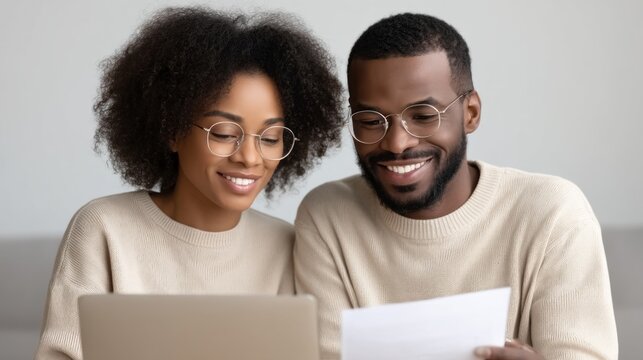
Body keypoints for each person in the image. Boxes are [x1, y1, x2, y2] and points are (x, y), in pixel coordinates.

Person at [294, 12, 618, 360]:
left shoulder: (552, 213)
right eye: (371, 121)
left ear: (471, 113)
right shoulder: (328, 216)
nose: (397, 143)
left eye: (422, 116)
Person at [36, 6, 343, 360]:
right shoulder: (104, 228)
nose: (250, 157)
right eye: (225, 133)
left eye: (271, 138)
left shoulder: (288, 245)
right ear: (172, 131)